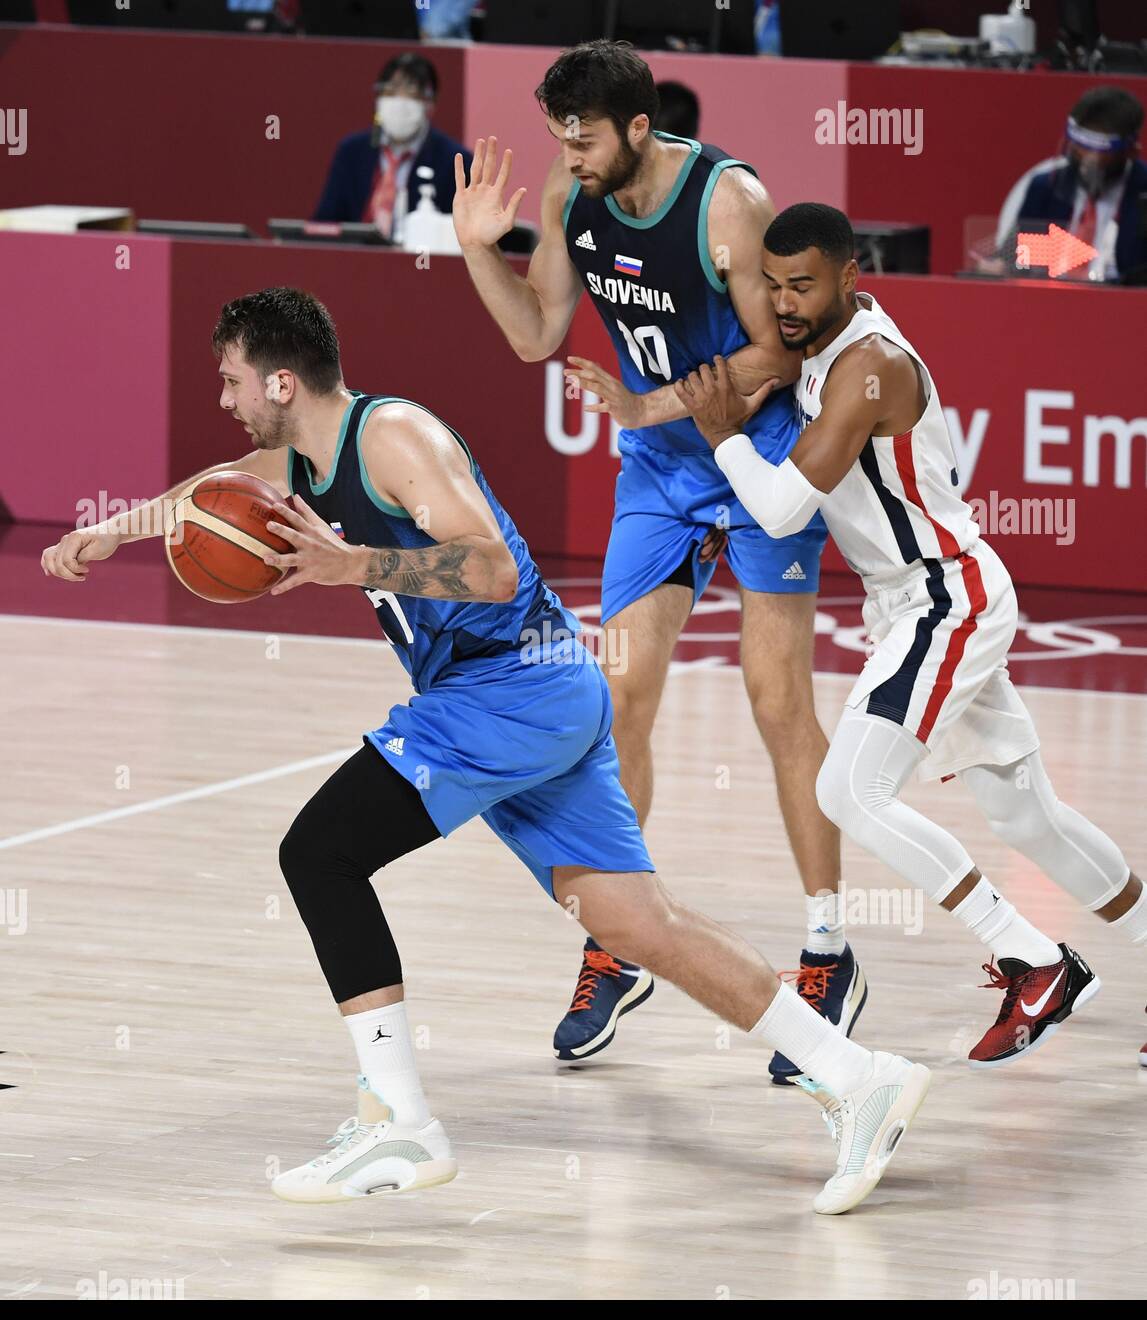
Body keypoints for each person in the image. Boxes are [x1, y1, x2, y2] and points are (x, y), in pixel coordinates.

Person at [39, 286, 931, 1214]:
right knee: (638, 925)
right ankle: (860, 1074)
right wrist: (116, 528)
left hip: (508, 688)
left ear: (281, 380)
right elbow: (212, 491)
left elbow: (493, 566)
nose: (223, 399)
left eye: (230, 381)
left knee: (319, 852)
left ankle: (400, 1123)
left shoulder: (392, 439)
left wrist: (359, 566)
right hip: (540, 694)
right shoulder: (299, 458)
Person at [453, 40, 850, 1080]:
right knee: (617, 699)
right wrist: (472, 251)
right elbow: (540, 331)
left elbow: (777, 355)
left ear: (639, 128)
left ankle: (826, 950)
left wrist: (643, 403)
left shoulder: (729, 203)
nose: (568, 157)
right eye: (558, 139)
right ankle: (618, 941)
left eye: (583, 139)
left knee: (777, 705)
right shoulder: (572, 188)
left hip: (756, 451)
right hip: (661, 473)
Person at [673, 203, 1147, 1067]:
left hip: (942, 599)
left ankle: (1032, 961)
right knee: (1025, 815)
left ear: (851, 277)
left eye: (801, 285)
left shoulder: (870, 365)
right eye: (773, 284)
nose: (782, 302)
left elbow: (780, 510)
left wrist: (722, 441)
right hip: (917, 599)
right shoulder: (816, 347)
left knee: (847, 792)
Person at [995, 86, 1147, 284]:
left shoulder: (1142, 192)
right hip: (1050, 300)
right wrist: (1003, 266)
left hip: (1125, 305)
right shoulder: (1045, 187)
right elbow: (1019, 259)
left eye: (1100, 147)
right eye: (1080, 143)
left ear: (1130, 151)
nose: (1087, 157)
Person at [313, 53, 472, 240]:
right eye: (390, 91)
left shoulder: (455, 161)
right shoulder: (351, 151)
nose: (400, 101)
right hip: (354, 261)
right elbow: (325, 224)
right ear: (378, 98)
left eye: (412, 93)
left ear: (431, 104)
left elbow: (463, 238)